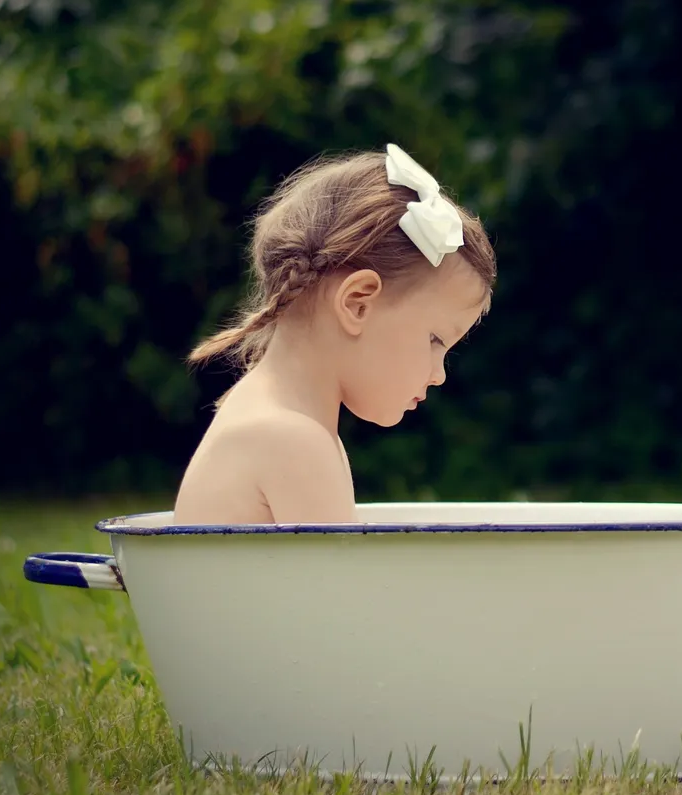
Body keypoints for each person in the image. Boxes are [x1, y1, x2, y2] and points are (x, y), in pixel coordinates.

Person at [171, 144, 496, 525]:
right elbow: (344, 587)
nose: (439, 374)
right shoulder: (293, 441)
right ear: (357, 303)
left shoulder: (279, 418)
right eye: (435, 340)